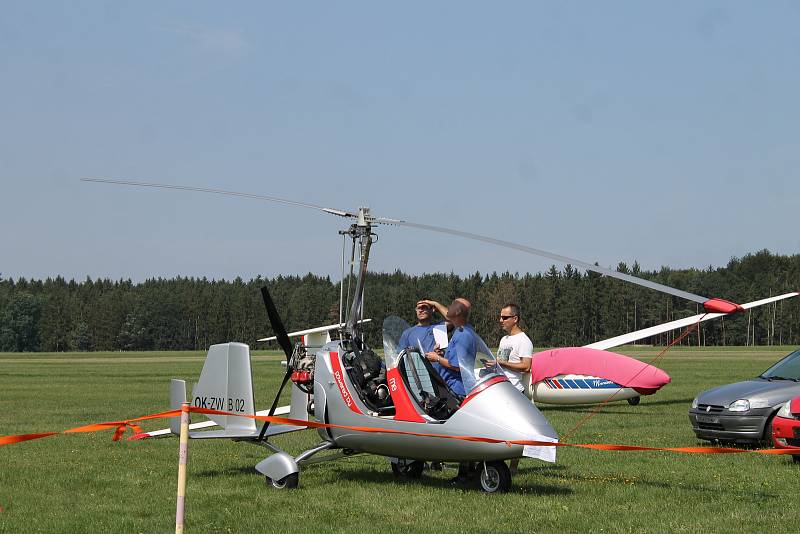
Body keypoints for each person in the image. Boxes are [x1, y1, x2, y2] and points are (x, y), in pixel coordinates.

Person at [425, 298, 476, 397]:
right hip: (456, 387)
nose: (449, 307)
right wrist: (443, 355)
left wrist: (437, 358)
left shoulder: (463, 334)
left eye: (452, 305)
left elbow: (457, 366)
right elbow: (458, 358)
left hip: (457, 389)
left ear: (457, 312)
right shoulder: (463, 329)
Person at [483, 303, 533, 393]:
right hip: (501, 387)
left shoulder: (524, 340)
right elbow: (499, 363)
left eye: (505, 318)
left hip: (514, 390)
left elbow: (526, 366)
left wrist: (502, 363)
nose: (501, 320)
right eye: (501, 317)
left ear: (515, 319)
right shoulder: (504, 339)